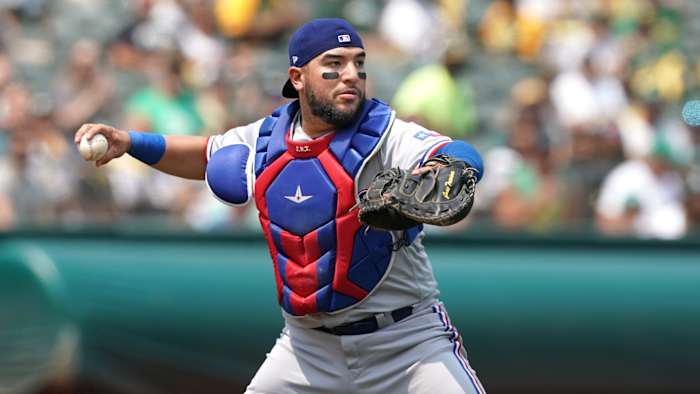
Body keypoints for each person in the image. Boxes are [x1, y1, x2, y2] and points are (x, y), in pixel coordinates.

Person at [74, 18, 486, 394]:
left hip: (406, 344)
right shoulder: (267, 139)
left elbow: (459, 153)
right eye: (334, 63)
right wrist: (131, 143)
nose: (351, 76)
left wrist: (447, 166)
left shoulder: (384, 133)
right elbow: (205, 155)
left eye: (359, 64)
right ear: (298, 77)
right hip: (308, 349)